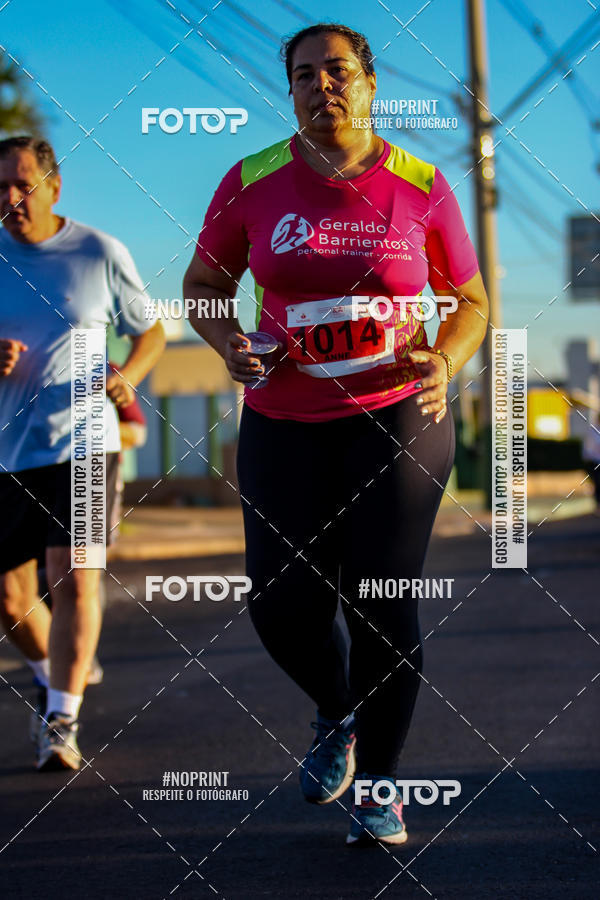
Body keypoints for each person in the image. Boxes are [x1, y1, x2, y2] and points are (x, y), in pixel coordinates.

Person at [183, 23, 489, 846]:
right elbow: (205, 283)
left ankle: (382, 788)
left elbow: (471, 300)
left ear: (371, 83)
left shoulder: (421, 182)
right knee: (283, 607)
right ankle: (336, 710)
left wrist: (446, 361)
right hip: (285, 421)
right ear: (290, 90)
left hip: (397, 418)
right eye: (306, 74)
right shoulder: (252, 179)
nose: (325, 85)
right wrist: (227, 342)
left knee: (380, 601)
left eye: (340, 71)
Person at [0, 136, 165, 771]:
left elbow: (148, 330)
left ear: (54, 185)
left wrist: (129, 375)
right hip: (8, 453)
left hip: (85, 443)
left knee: (73, 577)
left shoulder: (97, 252)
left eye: (23, 183)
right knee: (10, 600)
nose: (11, 198)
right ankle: (53, 675)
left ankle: (62, 718)